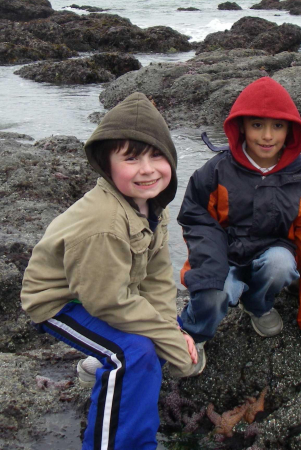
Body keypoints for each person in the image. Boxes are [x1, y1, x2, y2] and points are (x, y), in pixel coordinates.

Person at [20, 92, 202, 450]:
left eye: (157, 155)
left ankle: (95, 365)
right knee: (134, 354)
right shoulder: (103, 221)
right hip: (62, 300)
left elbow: (157, 276)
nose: (147, 169)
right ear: (107, 165)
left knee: (157, 337)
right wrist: (172, 345)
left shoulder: (152, 202)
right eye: (131, 158)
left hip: (108, 289)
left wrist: (170, 329)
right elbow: (107, 303)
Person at [177, 76, 301, 359]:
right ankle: (194, 332)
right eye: (257, 125)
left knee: (281, 264)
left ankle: (257, 304)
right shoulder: (215, 172)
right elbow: (198, 222)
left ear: (290, 129)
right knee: (214, 292)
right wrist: (210, 275)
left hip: (271, 254)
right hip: (224, 255)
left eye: (277, 126)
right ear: (240, 126)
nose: (267, 136)